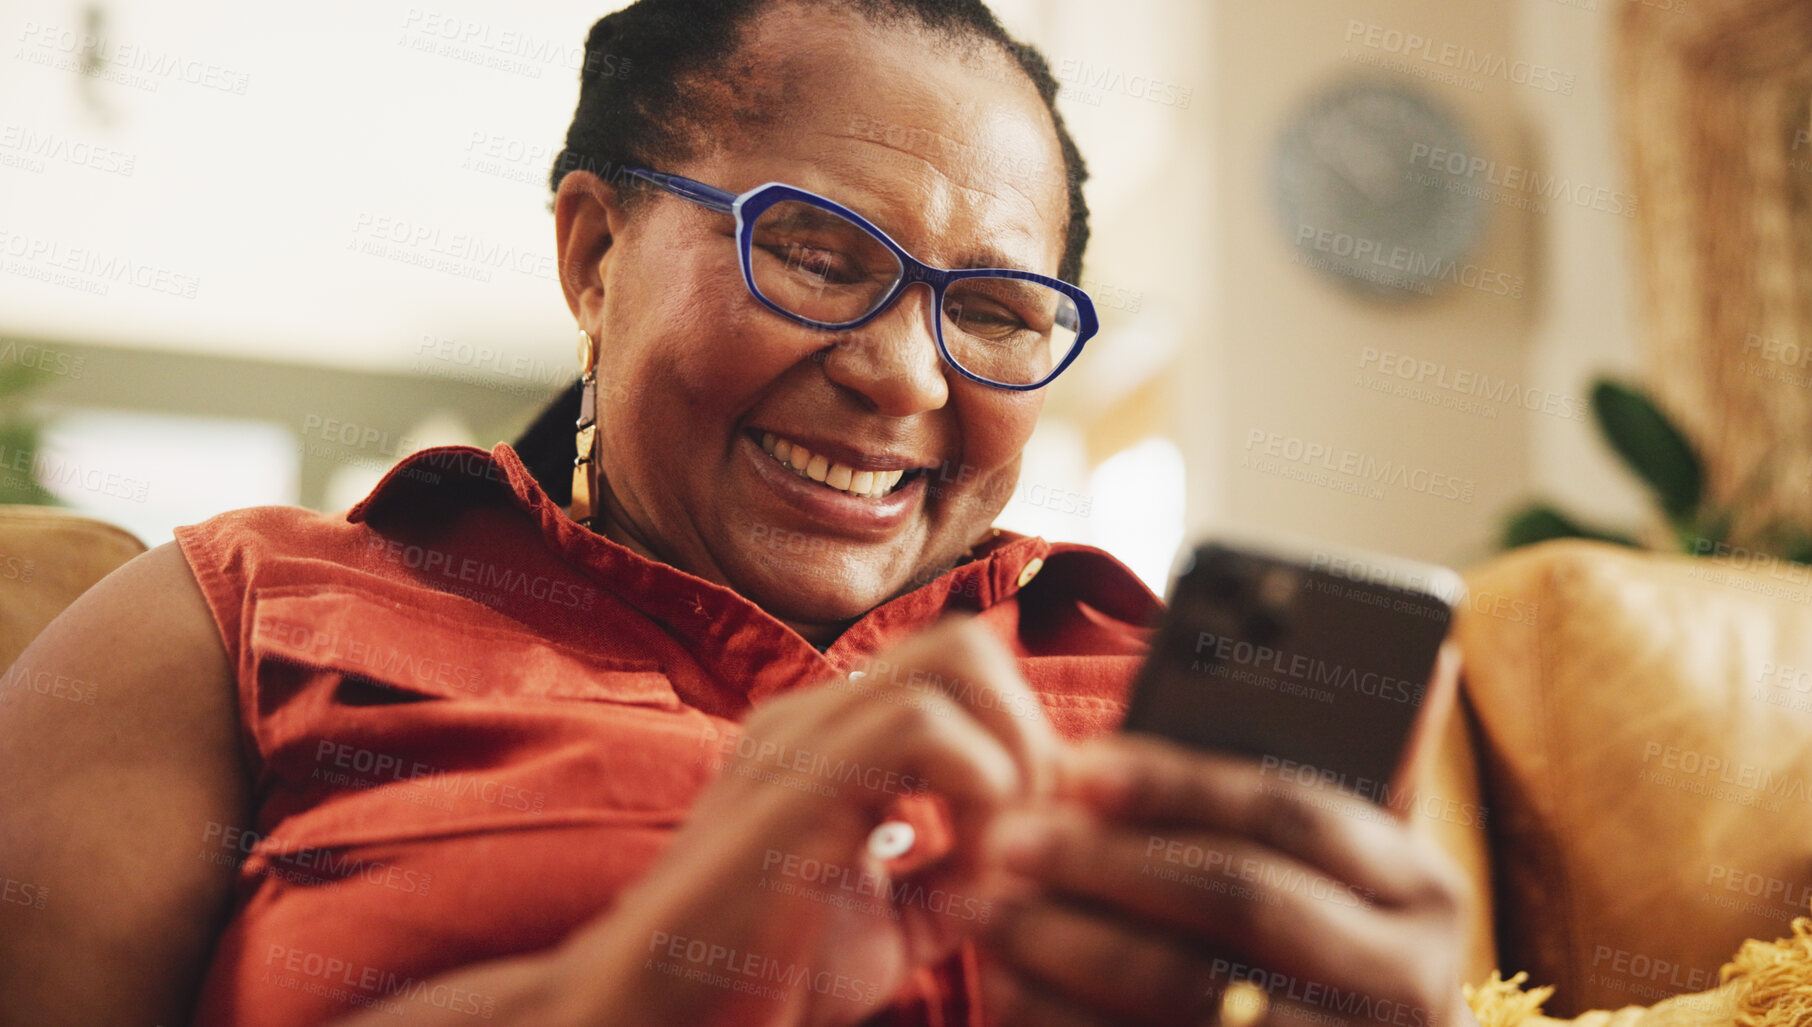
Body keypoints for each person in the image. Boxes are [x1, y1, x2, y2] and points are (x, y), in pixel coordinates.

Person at [0, 2, 1473, 1025]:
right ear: (593, 253)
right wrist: (631, 990)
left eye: (1001, 310)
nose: (903, 374)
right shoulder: (240, 613)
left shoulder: (1182, 695)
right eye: (820, 255)